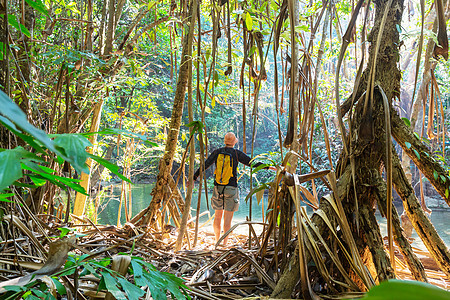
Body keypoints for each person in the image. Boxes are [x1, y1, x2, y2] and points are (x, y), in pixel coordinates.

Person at [193, 132, 275, 246]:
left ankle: (217, 241)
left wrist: (194, 177)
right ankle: (224, 243)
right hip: (231, 188)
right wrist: (269, 167)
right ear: (235, 141)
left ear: (225, 141)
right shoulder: (236, 153)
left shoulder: (217, 152)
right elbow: (252, 163)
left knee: (217, 216)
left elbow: (205, 164)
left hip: (218, 187)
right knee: (227, 219)